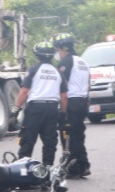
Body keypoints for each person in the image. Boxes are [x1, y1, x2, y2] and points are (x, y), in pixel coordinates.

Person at [13, 41, 68, 167]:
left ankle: (23, 170)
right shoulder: (58, 72)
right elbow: (64, 96)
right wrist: (63, 114)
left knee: (27, 140)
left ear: (37, 55)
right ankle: (47, 171)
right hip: (52, 108)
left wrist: (16, 109)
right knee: (50, 142)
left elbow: (24, 91)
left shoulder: (33, 70)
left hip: (35, 108)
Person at [52, 32, 91, 178]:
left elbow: (61, 85)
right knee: (78, 135)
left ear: (64, 48)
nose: (58, 53)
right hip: (82, 101)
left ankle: (73, 166)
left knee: (68, 135)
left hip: (71, 102)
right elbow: (88, 85)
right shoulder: (83, 62)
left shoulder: (66, 61)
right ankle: (83, 164)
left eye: (58, 50)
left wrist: (62, 109)